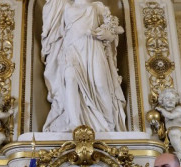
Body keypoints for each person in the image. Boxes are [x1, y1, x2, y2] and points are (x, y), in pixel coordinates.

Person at [41, 0, 127, 132]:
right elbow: (52, 27)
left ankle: (109, 124)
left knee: (100, 84)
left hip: (93, 48)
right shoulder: (63, 6)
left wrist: (108, 35)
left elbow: (115, 30)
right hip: (71, 49)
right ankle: (74, 123)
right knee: (70, 79)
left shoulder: (97, 7)